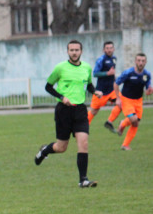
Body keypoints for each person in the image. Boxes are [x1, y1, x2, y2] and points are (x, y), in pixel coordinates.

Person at [34, 40, 103, 188]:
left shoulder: (86, 67)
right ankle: (44, 151)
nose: (74, 52)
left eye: (77, 50)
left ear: (81, 51)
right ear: (67, 52)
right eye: (71, 50)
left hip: (80, 111)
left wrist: (94, 91)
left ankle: (83, 180)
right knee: (61, 147)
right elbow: (48, 87)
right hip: (63, 111)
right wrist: (61, 97)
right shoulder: (60, 68)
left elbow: (88, 84)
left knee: (83, 143)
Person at [113, 53, 153, 151]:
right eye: (139, 60)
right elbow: (116, 83)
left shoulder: (147, 75)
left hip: (138, 101)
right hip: (126, 100)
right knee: (133, 119)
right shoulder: (128, 73)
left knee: (135, 124)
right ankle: (123, 124)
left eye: (143, 61)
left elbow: (147, 87)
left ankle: (125, 144)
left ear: (146, 62)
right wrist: (118, 98)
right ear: (135, 61)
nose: (140, 63)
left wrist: (149, 90)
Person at [88, 41, 122, 132]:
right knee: (93, 111)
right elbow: (95, 73)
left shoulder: (114, 59)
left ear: (114, 49)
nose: (109, 50)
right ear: (104, 49)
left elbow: (112, 72)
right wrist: (107, 73)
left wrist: (115, 82)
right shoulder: (101, 60)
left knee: (121, 102)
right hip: (101, 91)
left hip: (112, 90)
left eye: (111, 48)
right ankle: (83, 127)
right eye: (107, 48)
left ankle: (109, 122)